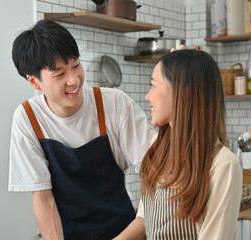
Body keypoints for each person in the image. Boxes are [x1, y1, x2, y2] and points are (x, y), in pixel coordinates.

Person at [8, 19, 156, 240]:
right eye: (59, 74)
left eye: (76, 65)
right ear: (34, 82)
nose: (74, 80)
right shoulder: (28, 118)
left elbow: (156, 172)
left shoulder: (114, 103)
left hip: (124, 232)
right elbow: (43, 198)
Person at [114, 49, 243, 240]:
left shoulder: (223, 164)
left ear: (182, 91)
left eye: (153, 86)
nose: (148, 96)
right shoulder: (157, 147)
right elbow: (146, 215)